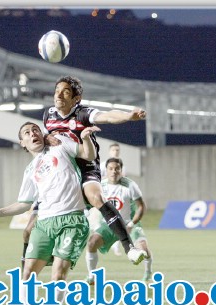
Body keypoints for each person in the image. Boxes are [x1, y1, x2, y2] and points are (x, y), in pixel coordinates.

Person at [0, 121, 99, 305]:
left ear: (42, 134)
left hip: (72, 220)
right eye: (27, 133)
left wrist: (85, 137)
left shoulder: (60, 145)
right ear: (22, 143)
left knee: (58, 275)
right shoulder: (30, 170)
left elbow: (88, 154)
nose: (32, 133)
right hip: (44, 223)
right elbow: (24, 203)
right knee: (27, 275)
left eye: (35, 130)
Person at [41, 75, 147, 265]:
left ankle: (129, 247)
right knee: (47, 207)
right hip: (62, 170)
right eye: (57, 90)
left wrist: (128, 115)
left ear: (76, 99)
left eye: (65, 92)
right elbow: (45, 141)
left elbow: (107, 115)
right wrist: (45, 138)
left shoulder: (83, 113)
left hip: (86, 165)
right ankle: (45, 251)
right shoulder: (48, 115)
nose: (59, 95)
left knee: (97, 198)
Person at [86, 157, 153, 284]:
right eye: (110, 169)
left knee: (143, 249)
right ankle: (92, 276)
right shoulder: (100, 186)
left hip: (129, 223)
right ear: (106, 170)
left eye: (117, 169)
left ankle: (148, 272)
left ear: (121, 170)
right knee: (91, 243)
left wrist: (132, 223)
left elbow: (141, 207)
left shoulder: (130, 185)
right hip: (109, 224)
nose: (114, 171)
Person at [101, 143, 126, 256]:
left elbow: (123, 179)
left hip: (117, 196)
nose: (115, 152)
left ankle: (115, 246)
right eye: (113, 150)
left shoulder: (122, 166)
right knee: (100, 220)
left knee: (117, 219)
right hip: (104, 195)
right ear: (109, 151)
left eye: (117, 150)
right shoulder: (102, 165)